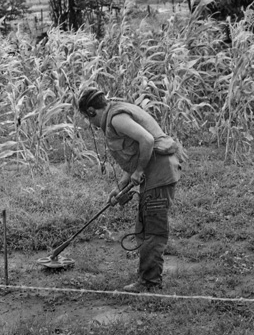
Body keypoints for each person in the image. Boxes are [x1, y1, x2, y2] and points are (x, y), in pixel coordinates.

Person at [77, 88, 186, 293]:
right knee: (145, 227)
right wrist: (120, 187)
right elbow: (137, 152)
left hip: (158, 171)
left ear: (92, 111)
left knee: (153, 230)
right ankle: (148, 275)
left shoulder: (117, 119)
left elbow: (148, 140)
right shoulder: (116, 113)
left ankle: (149, 283)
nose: (89, 123)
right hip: (156, 171)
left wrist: (139, 171)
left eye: (87, 117)